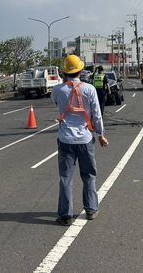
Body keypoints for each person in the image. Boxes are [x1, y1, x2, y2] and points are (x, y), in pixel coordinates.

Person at [52, 54, 109, 226]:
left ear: (64, 72)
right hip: (85, 138)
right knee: (89, 175)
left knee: (65, 178)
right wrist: (101, 135)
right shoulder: (89, 89)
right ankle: (91, 209)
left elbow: (56, 103)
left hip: (65, 139)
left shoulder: (57, 90)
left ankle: (65, 215)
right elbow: (97, 115)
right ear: (81, 70)